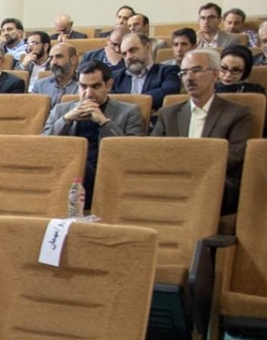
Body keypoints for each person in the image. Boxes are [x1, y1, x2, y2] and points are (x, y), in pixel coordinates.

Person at [153, 49, 253, 215]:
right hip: (174, 179)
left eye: (196, 70)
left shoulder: (236, 113)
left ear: (215, 74)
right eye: (184, 73)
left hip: (216, 181)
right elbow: (154, 151)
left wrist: (191, 167)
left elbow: (236, 154)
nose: (189, 77)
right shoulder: (168, 114)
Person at [43, 61, 145, 207]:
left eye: (95, 87)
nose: (88, 93)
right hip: (67, 175)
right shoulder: (61, 110)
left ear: (108, 85)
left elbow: (133, 153)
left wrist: (104, 122)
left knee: (81, 165)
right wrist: (66, 120)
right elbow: (43, 145)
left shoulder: (130, 112)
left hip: (108, 174)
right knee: (76, 164)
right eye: (83, 87)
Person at [112, 33, 181, 112]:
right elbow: (108, 101)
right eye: (124, 54)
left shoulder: (167, 71)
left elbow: (169, 91)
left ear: (148, 47)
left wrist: (130, 102)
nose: (128, 57)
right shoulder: (116, 77)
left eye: (133, 50)